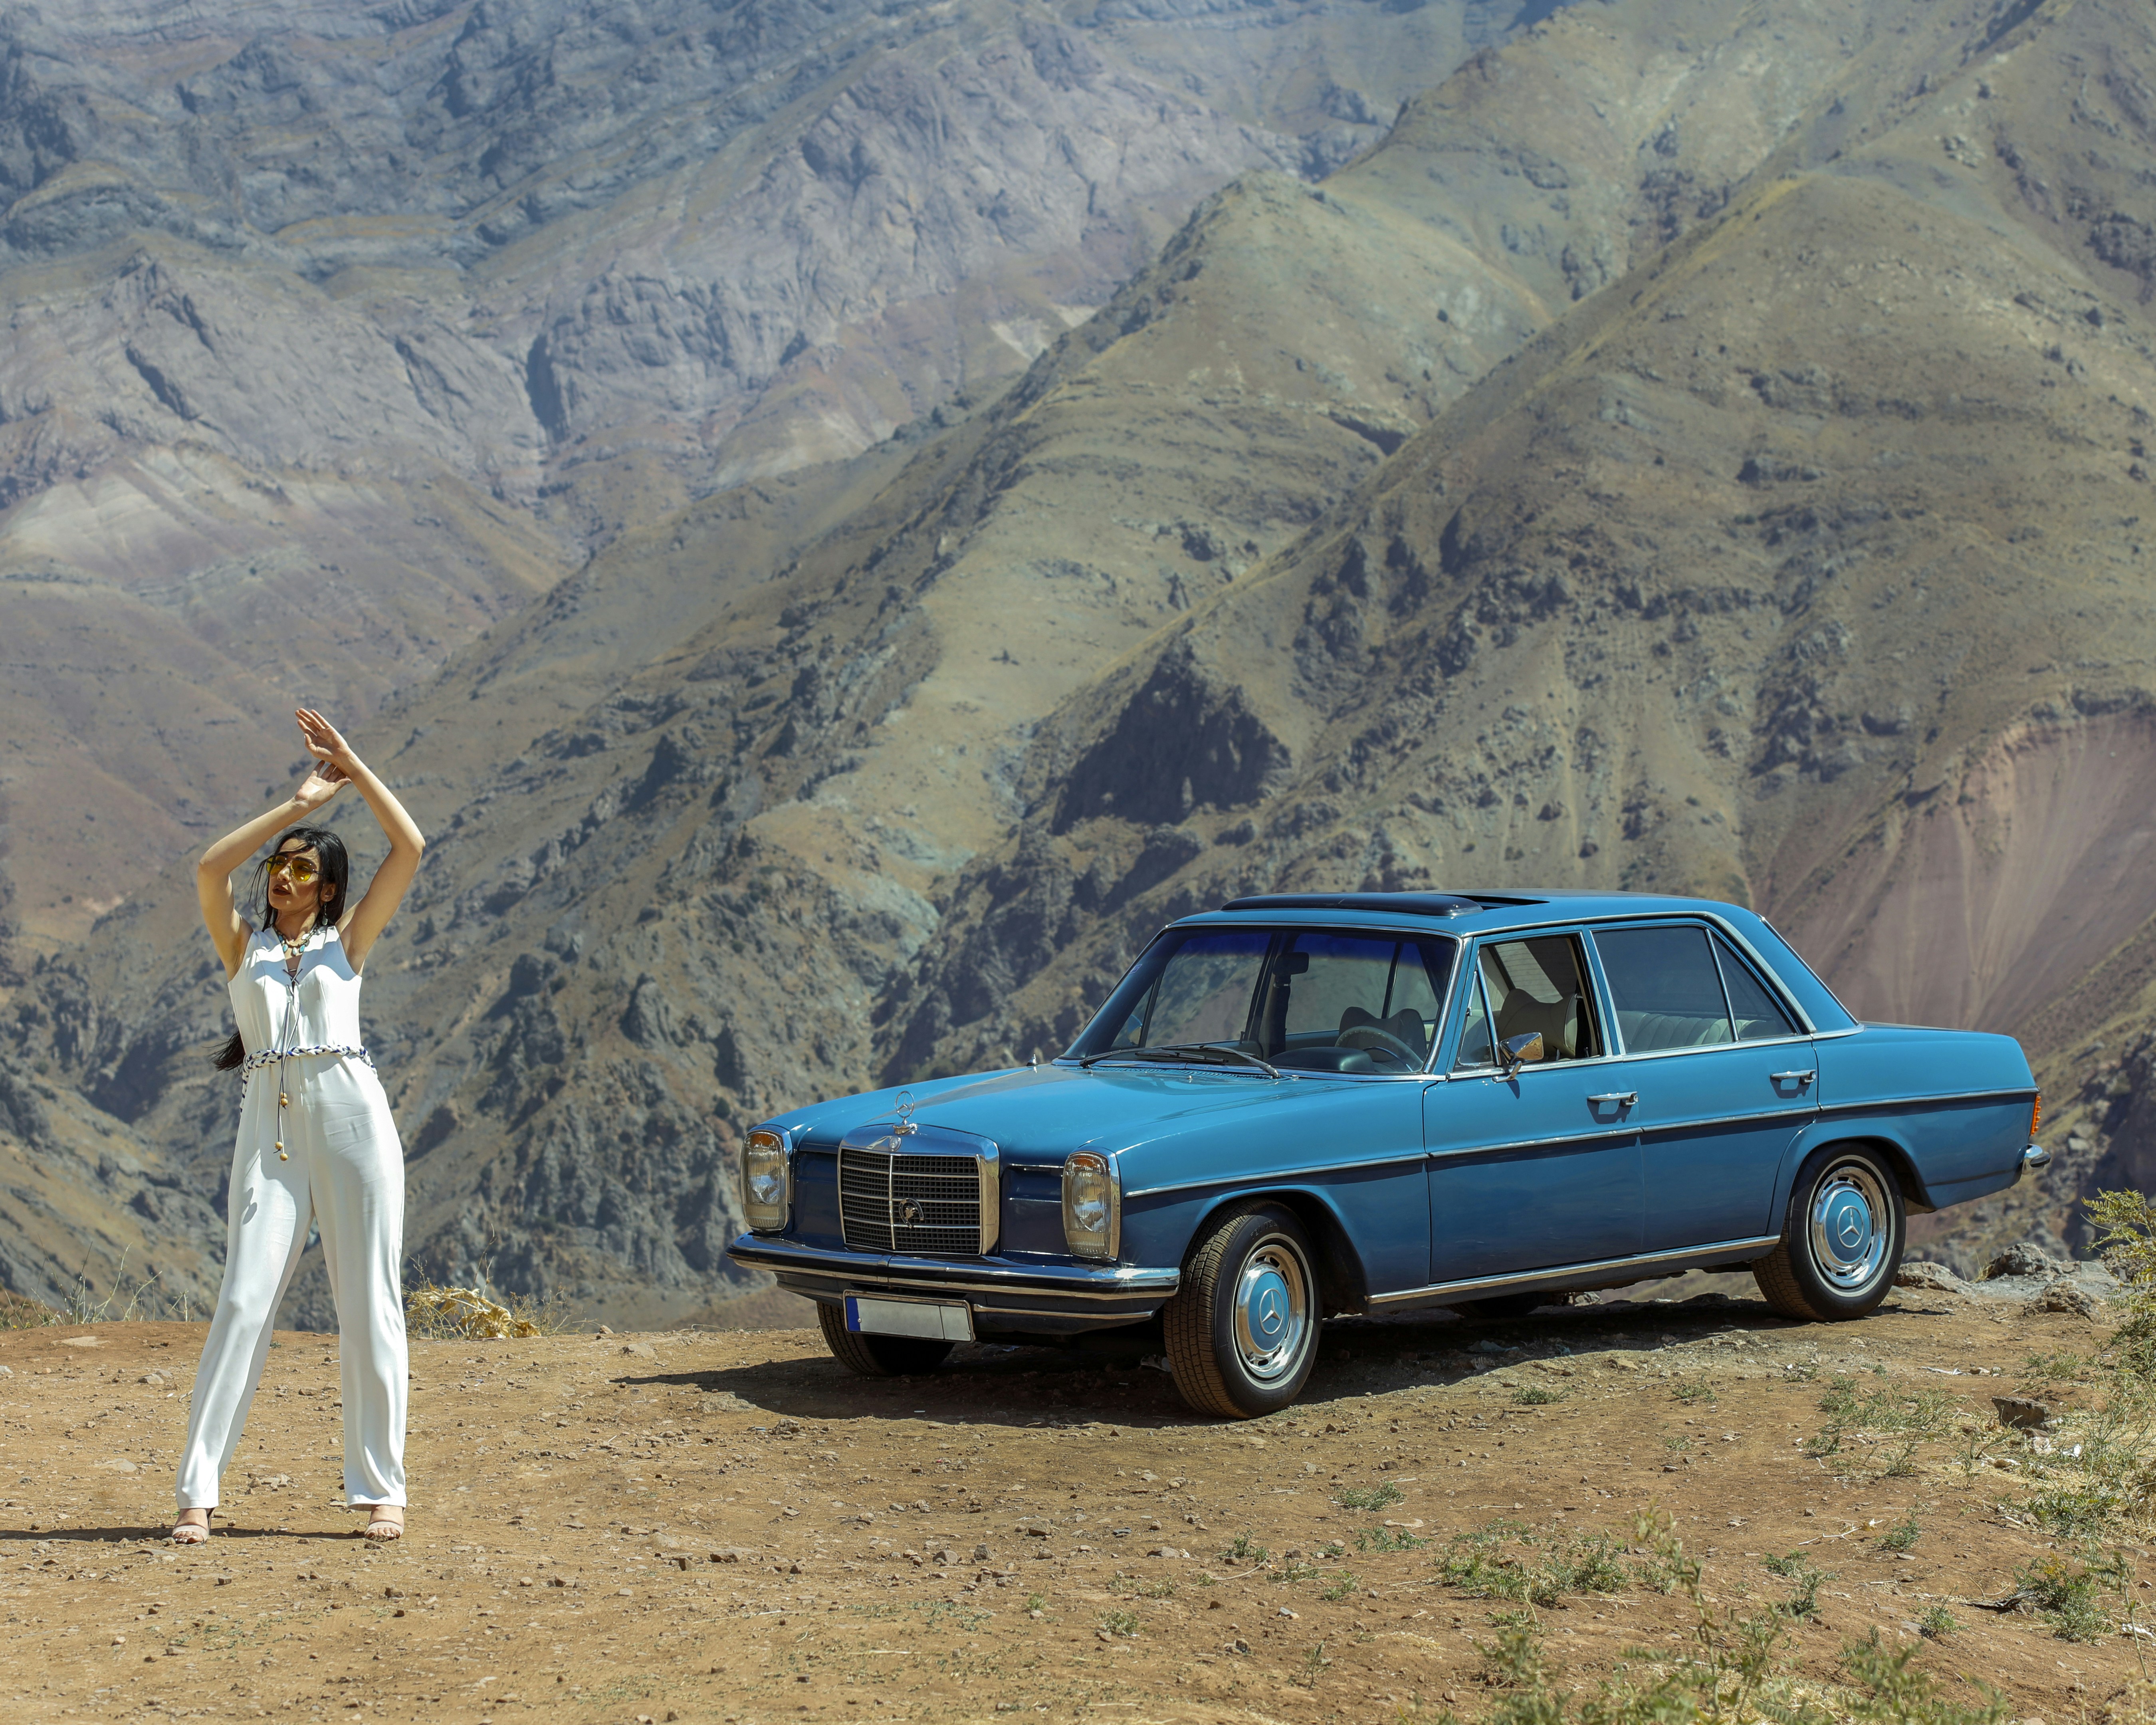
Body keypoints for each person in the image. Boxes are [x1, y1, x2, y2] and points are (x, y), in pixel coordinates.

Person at [171, 709, 424, 1544]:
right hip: (268, 1131)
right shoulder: (241, 945)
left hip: (353, 1120)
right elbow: (209, 870)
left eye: (303, 870)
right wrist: (293, 807)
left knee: (368, 1303)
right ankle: (198, 1494)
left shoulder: (346, 945)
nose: (284, 878)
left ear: (328, 888)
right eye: (281, 868)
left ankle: (379, 1490)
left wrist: (355, 764)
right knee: (244, 1301)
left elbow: (411, 848)